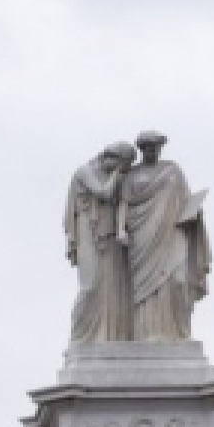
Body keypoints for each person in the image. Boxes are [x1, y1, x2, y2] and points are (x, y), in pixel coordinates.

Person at [120, 130, 211, 341]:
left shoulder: (173, 170)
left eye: (156, 147)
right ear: (142, 150)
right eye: (148, 148)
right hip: (142, 233)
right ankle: (147, 334)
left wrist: (194, 213)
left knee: (178, 281)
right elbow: (124, 203)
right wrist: (121, 230)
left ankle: (179, 334)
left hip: (173, 231)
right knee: (146, 288)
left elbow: (186, 198)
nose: (153, 151)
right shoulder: (132, 174)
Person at [64, 143, 137, 344]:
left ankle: (111, 336)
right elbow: (103, 193)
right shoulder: (85, 171)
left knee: (113, 286)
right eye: (123, 164)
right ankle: (79, 337)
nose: (124, 169)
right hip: (89, 232)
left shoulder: (117, 175)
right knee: (90, 286)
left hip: (110, 235)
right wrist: (117, 173)